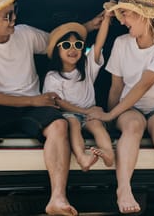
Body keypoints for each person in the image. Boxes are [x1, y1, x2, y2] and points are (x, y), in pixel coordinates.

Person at [0, 0, 102, 216]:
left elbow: (56, 40)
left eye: (14, 11)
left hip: (34, 104)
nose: (14, 19)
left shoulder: (24, 33)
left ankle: (57, 199)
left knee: (59, 124)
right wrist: (33, 101)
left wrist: (90, 25)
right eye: (7, 16)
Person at [87, 0, 154, 216]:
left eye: (125, 14)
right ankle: (123, 190)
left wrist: (109, 115)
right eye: (121, 15)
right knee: (133, 126)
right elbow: (116, 87)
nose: (122, 22)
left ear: (143, 15)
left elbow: (144, 84)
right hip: (130, 107)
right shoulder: (122, 43)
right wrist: (111, 120)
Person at [43, 16, 114, 171]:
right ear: (57, 50)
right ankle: (82, 157)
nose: (73, 49)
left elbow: (99, 43)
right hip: (69, 115)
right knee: (74, 123)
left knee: (96, 125)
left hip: (90, 115)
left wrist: (107, 19)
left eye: (78, 45)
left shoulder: (87, 68)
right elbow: (58, 102)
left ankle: (109, 154)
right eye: (67, 45)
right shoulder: (52, 76)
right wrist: (86, 111)